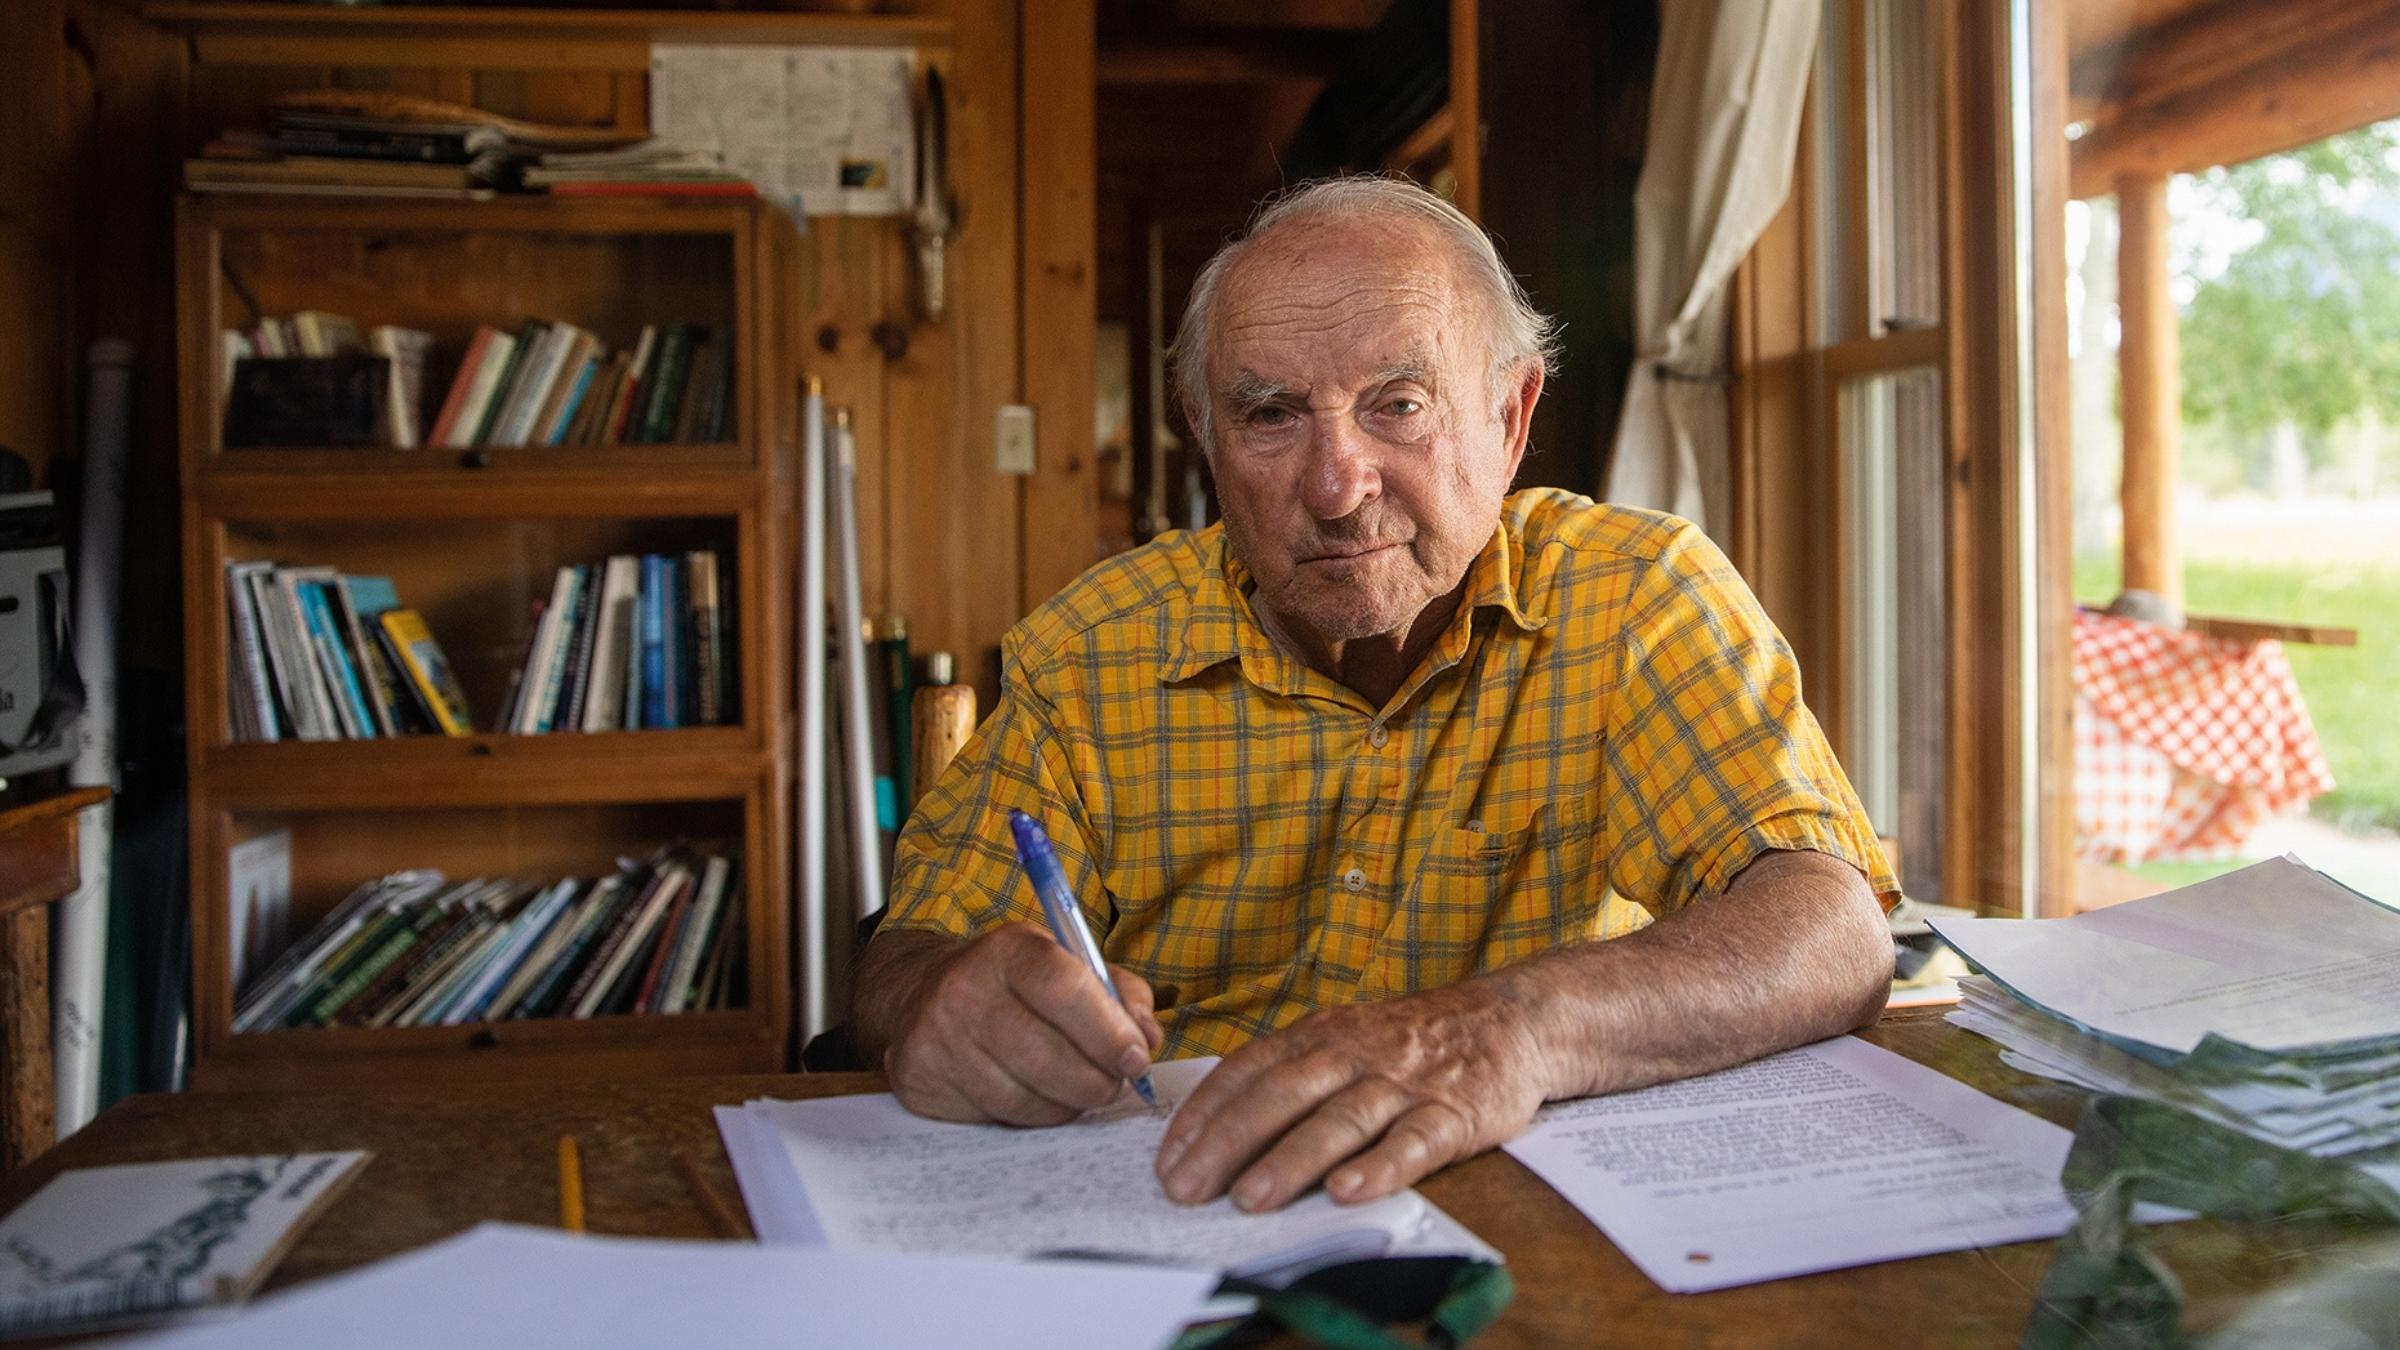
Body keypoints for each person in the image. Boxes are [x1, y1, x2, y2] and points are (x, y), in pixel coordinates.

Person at [851, 175, 1897, 1215]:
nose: (1337, 485)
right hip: (1169, 1213)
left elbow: (1831, 931)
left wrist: (1506, 1030)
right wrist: (940, 1004)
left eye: (1397, 405)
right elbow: (907, 959)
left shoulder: (1633, 600)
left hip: (1530, 1218)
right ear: (1206, 440)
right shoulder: (1090, 656)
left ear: (1510, 415)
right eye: (1269, 415)